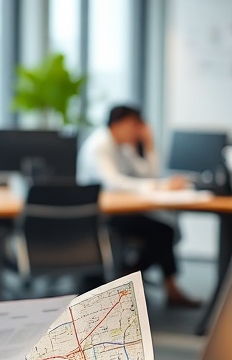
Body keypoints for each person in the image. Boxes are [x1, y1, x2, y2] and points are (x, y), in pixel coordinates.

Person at [77, 104, 201, 308]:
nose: (138, 130)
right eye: (135, 125)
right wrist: (161, 185)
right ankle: (130, 277)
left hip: (119, 211)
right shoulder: (99, 145)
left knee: (164, 230)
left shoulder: (121, 146)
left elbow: (148, 173)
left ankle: (132, 276)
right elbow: (114, 182)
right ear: (118, 124)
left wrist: (149, 146)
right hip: (100, 217)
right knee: (162, 232)